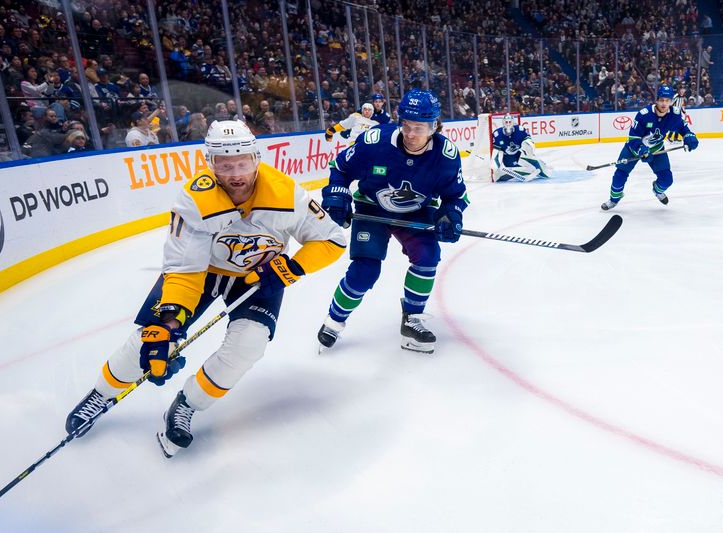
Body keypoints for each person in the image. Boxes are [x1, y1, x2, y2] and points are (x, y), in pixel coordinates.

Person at [65, 120, 346, 457]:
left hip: (259, 277)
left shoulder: (288, 194)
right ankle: (101, 393)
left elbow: (331, 239)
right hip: (204, 273)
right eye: (225, 165)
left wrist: (292, 267)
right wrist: (169, 323)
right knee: (149, 338)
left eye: (243, 163)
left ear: (256, 158)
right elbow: (185, 268)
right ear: (210, 162)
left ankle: (186, 405)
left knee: (248, 346)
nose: (236, 173)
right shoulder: (195, 200)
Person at [316, 89, 468, 354]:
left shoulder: (446, 156)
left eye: (419, 128)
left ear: (434, 126)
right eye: (406, 125)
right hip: (371, 208)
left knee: (428, 257)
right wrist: (338, 196)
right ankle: (334, 320)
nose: (410, 134)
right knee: (365, 272)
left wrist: (451, 214)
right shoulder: (375, 141)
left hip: (416, 212)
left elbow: (456, 196)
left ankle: (412, 319)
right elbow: (339, 169)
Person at [601, 85, 699, 210]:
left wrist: (689, 136)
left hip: (657, 149)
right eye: (662, 100)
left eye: (667, 100)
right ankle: (614, 199)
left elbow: (682, 128)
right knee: (620, 175)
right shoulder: (644, 115)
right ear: (657, 100)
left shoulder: (674, 114)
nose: (664, 103)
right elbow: (633, 138)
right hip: (633, 149)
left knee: (667, 179)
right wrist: (641, 149)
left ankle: (657, 190)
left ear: (671, 101)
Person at [490, 113, 551, 181]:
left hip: (520, 156)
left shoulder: (520, 130)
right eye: (506, 122)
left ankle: (538, 167)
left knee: (542, 172)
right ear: (503, 123)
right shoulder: (497, 134)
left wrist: (528, 147)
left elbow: (529, 142)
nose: (508, 124)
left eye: (510, 122)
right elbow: (496, 152)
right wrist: (495, 165)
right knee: (498, 173)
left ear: (513, 122)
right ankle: (506, 172)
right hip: (508, 160)